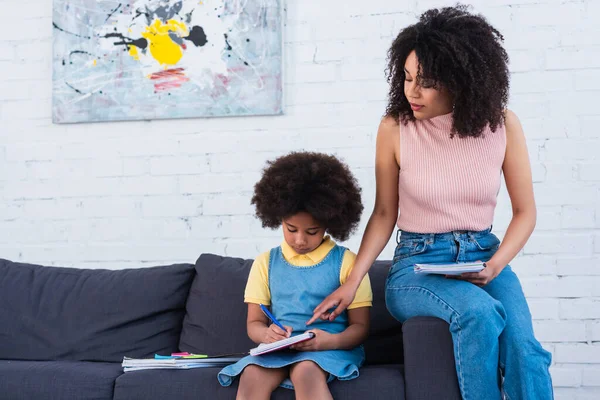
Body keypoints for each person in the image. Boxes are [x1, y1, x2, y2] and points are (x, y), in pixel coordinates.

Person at [308, 5, 553, 400]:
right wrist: (352, 282)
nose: (412, 92)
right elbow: (385, 213)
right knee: (479, 314)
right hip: (416, 268)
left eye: (426, 82)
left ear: (460, 80)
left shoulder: (502, 125)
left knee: (526, 350)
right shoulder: (394, 129)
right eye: (406, 78)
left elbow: (526, 212)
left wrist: (496, 264)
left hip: (484, 255)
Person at [218, 151, 372, 400]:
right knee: (251, 376)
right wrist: (266, 335)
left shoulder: (347, 262)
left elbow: (361, 327)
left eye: (312, 231)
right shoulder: (265, 263)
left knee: (306, 371)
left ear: (329, 223)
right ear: (278, 218)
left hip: (330, 349)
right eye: (291, 229)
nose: (300, 240)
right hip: (278, 349)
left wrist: (328, 342)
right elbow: (254, 323)